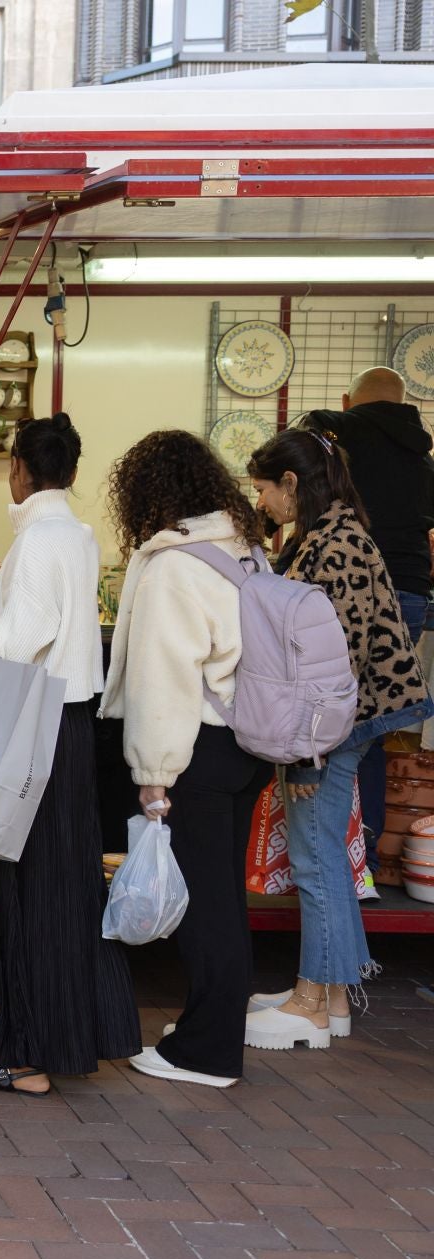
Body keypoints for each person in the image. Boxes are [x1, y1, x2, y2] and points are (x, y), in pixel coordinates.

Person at [0, 414, 139, 1094]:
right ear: (74, 473)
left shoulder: (35, 543)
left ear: (21, 472)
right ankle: (60, 1032)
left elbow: (12, 647)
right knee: (67, 885)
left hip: (35, 725)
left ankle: (23, 1054)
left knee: (24, 889)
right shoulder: (77, 536)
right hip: (74, 724)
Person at [244, 429, 430, 1049]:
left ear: (292, 483)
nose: (262, 501)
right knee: (323, 859)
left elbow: (332, 668)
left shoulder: (336, 544)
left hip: (331, 728)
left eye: (265, 489)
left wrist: (306, 752)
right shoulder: (330, 536)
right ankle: (333, 994)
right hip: (341, 724)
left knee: (316, 862)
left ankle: (311, 1006)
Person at [101, 429, 273, 1089]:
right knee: (225, 899)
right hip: (248, 743)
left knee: (207, 910)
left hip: (198, 749)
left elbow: (161, 678)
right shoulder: (245, 549)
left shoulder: (175, 564)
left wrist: (152, 776)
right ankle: (212, 1027)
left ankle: (206, 1053)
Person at [303, 370, 434, 884]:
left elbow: (309, 431)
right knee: (373, 730)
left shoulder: (339, 432)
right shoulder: (424, 461)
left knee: (326, 721)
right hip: (410, 594)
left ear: (347, 401)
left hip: (348, 587)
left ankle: (322, 854)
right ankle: (367, 860)